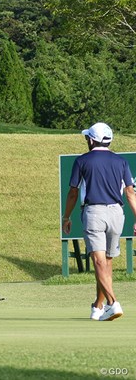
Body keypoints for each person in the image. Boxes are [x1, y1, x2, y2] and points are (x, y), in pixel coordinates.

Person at [62, 122, 136, 321]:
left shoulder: (82, 161)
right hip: (116, 214)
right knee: (106, 263)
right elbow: (130, 192)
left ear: (92, 140)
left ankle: (113, 303)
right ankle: (98, 306)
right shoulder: (121, 162)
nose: (86, 140)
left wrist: (66, 217)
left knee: (98, 261)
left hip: (94, 212)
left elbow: (73, 192)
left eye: (87, 137)